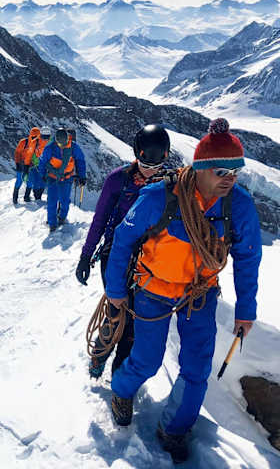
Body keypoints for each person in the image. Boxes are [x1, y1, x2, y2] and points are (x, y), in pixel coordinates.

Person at [104, 118, 261, 463]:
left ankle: (174, 428)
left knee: (197, 368)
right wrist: (115, 290)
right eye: (221, 171)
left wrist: (246, 310)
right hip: (154, 288)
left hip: (200, 293)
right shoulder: (160, 197)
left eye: (235, 170)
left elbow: (248, 258)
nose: (229, 178)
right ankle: (122, 391)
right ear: (200, 168)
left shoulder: (239, 206)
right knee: (147, 360)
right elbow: (123, 241)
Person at [77, 125, 171, 378]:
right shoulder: (118, 180)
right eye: (145, 158)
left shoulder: (170, 184)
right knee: (117, 311)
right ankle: (100, 354)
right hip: (115, 257)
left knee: (135, 319)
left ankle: (120, 370)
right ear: (137, 153)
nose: (150, 166)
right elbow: (100, 220)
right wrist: (86, 256)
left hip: (152, 261)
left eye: (157, 159)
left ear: (165, 155)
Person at [38, 128, 86, 231]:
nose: (62, 146)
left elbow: (80, 161)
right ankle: (52, 224)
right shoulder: (50, 148)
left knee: (64, 201)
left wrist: (82, 176)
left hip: (67, 178)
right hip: (53, 178)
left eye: (64, 144)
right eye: (60, 144)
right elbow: (42, 162)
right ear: (56, 140)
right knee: (52, 201)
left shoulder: (74, 147)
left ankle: (62, 217)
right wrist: (42, 175)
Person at [22, 127, 48, 202]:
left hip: (37, 165)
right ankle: (34, 197)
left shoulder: (35, 142)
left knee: (37, 181)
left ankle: (34, 196)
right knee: (36, 181)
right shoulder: (35, 142)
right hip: (36, 166)